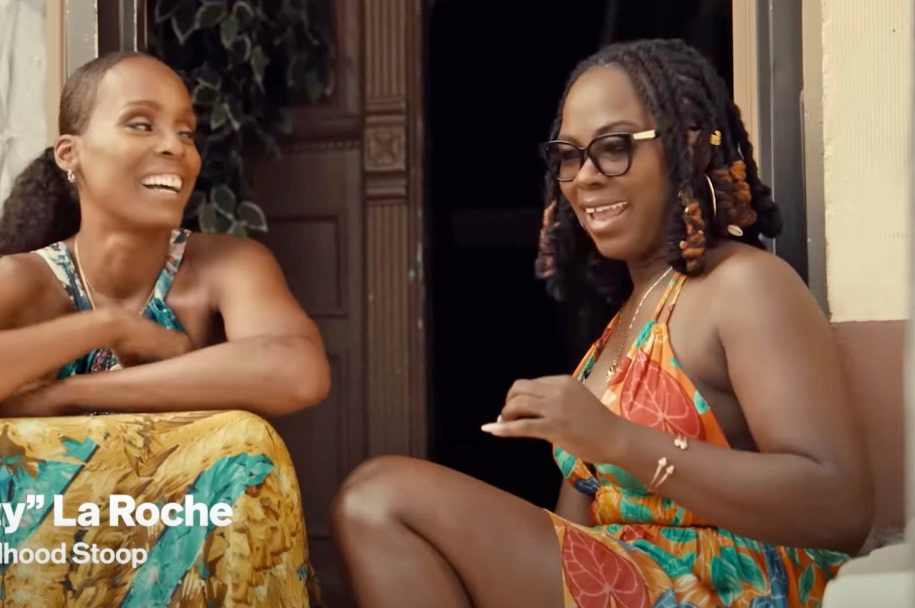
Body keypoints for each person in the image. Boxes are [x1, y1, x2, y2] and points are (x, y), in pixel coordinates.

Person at [331, 39, 873, 608]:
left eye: (614, 148)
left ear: (687, 149)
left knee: (380, 498)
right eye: (569, 155)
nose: (585, 177)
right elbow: (579, 542)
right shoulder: (618, 331)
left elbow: (839, 509)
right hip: (621, 581)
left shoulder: (743, 286)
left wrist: (618, 439)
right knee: (378, 508)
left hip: (725, 588)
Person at [0, 51, 329, 607]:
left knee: (246, 442)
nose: (175, 146)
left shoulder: (228, 266)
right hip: (46, 574)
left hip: (184, 572)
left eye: (186, 131)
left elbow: (297, 371)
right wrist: (102, 327)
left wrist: (64, 395)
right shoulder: (24, 282)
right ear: (70, 154)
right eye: (141, 123)